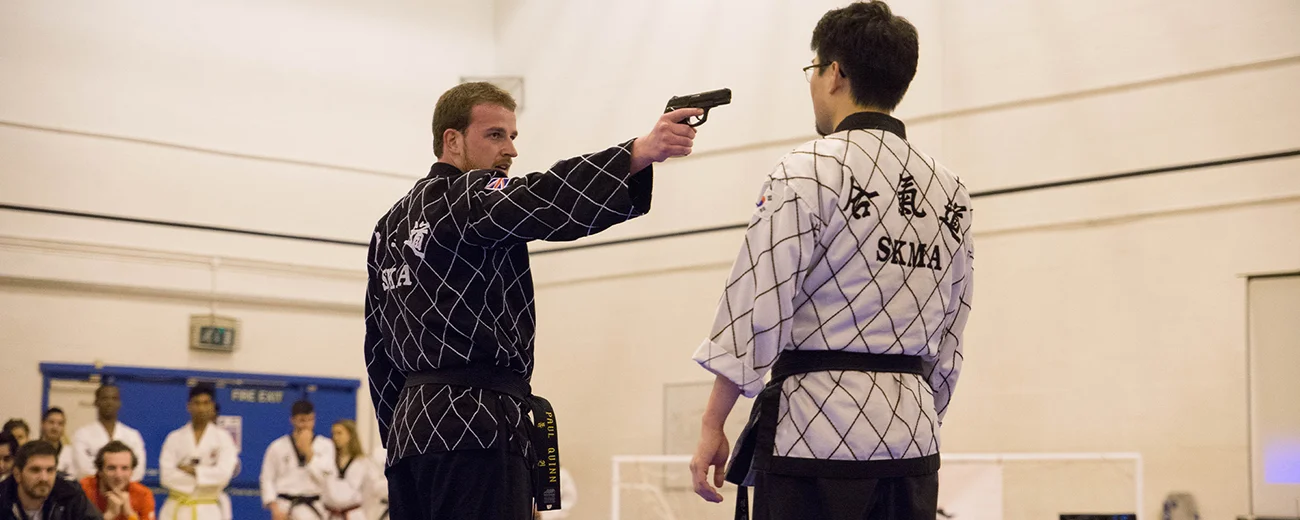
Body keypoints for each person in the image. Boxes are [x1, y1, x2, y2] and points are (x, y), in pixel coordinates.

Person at [687, 3, 976, 520]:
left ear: (834, 72)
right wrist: (917, 412)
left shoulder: (808, 169)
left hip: (813, 437)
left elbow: (757, 304)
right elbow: (953, 330)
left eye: (814, 70)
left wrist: (713, 422)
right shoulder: (950, 189)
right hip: (912, 440)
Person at [365, 82, 700, 520]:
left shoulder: (386, 227)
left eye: (513, 136)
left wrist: (400, 436)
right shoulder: (466, 197)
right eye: (495, 135)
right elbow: (544, 200)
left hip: (411, 437)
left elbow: (378, 349)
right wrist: (638, 152)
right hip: (477, 427)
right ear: (452, 140)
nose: (511, 151)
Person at [159, 384, 239, 520]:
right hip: (177, 507)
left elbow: (224, 475)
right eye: (197, 403)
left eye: (206, 403)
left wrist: (194, 471)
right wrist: (206, 477)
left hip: (208, 509)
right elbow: (166, 476)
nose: (201, 408)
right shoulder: (174, 437)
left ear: (212, 406)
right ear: (189, 406)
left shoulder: (223, 438)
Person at [260, 400, 335, 520]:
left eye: (310, 420)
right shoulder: (277, 446)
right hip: (284, 506)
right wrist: (274, 508)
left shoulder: (325, 445)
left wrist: (308, 452)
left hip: (313, 506)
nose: (306, 425)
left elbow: (326, 479)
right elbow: (267, 478)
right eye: (302, 420)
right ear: (292, 420)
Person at [0, 440, 99, 520]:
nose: (44, 478)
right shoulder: (3, 498)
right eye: (35, 470)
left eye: (50, 470)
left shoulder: (70, 494)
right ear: (17, 474)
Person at [71, 384, 147, 482]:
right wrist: (109, 482)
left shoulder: (132, 435)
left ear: (119, 403)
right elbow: (83, 468)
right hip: (92, 492)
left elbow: (138, 470)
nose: (109, 402)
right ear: (96, 402)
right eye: (105, 398)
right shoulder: (82, 434)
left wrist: (119, 482)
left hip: (126, 492)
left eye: (114, 398)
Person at [80, 441, 157, 520]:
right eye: (111, 468)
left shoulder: (143, 494)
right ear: (99, 471)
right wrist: (109, 515)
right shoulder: (83, 490)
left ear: (132, 472)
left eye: (124, 468)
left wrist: (129, 513)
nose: (118, 475)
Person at [321, 420, 373, 520]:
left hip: (353, 514)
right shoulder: (328, 460)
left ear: (351, 435)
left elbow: (369, 492)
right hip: (331, 514)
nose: (335, 437)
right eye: (333, 434)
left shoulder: (362, 462)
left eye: (339, 433)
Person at [39, 408, 75, 476]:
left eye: (60, 423)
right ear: (42, 424)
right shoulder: (31, 451)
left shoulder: (70, 453)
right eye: (51, 422)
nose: (55, 427)